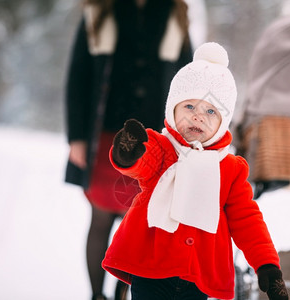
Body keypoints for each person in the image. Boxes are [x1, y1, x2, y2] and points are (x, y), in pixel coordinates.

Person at [101, 42, 289, 300]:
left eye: (210, 111)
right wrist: (128, 153)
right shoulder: (163, 147)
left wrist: (267, 263)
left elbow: (247, 219)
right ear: (172, 108)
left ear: (224, 123)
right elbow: (143, 162)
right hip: (152, 269)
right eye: (189, 107)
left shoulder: (230, 169)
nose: (198, 117)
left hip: (198, 277)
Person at [64, 1, 193, 299]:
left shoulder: (174, 13)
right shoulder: (98, 12)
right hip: (106, 139)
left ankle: (122, 294)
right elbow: (78, 77)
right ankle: (97, 295)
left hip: (152, 145)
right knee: (100, 219)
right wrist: (77, 138)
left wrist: (184, 139)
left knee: (141, 226)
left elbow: (188, 81)